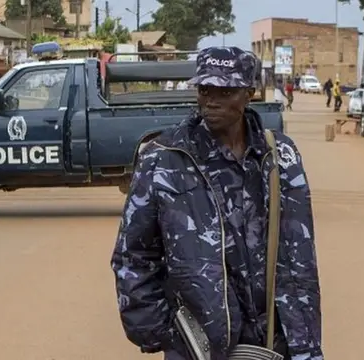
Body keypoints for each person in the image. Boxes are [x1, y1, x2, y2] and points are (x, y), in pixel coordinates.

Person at [111, 46, 323, 360]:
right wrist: (164, 331)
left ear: (249, 92)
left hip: (276, 340)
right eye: (205, 89)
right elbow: (134, 254)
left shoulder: (280, 155)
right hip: (201, 344)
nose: (211, 99)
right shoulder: (164, 158)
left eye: (225, 91)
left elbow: (300, 252)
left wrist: (305, 339)